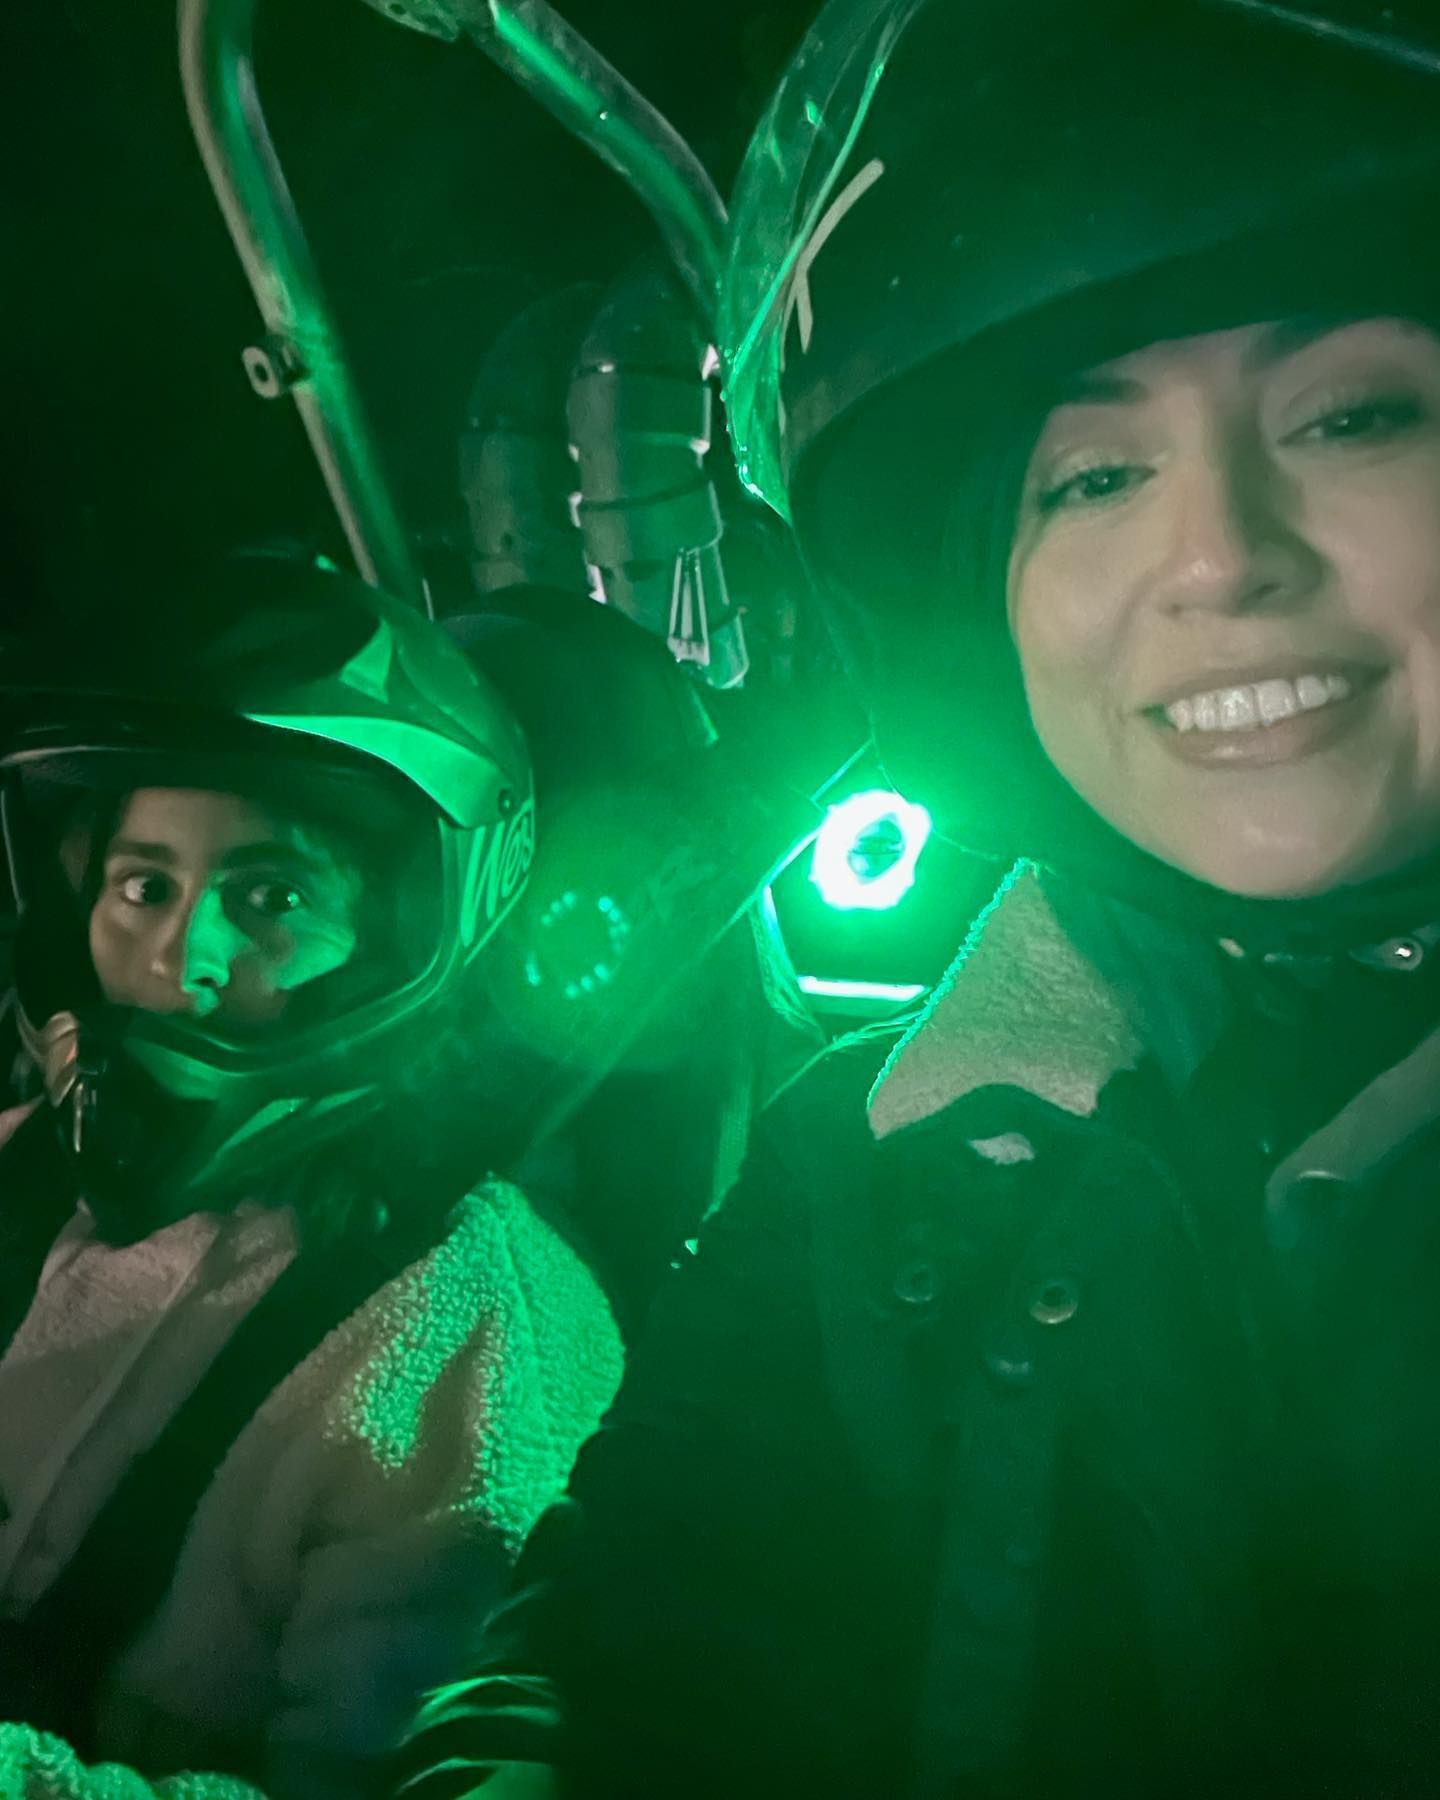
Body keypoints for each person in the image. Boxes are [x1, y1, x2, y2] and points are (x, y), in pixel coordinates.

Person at [396, 1, 1440, 1794]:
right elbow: (633, 1641)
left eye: (1354, 414)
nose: (1217, 557)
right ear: (991, 607)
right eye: (1096, 475)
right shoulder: (870, 1153)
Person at [0, 555, 622, 1798]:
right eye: (143, 886)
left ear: (403, 934)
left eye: (270, 892)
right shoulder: (21, 1162)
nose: (188, 958)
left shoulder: (479, 1331)